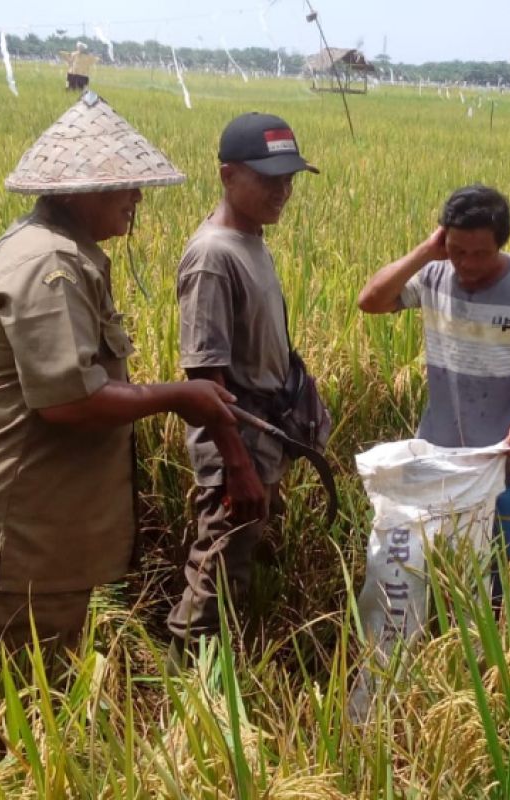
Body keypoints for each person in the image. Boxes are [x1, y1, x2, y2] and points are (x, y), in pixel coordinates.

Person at [0, 92, 238, 679]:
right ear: (83, 191)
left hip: (42, 537)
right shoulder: (50, 266)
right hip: (20, 537)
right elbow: (70, 401)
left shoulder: (66, 253)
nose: (137, 199)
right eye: (126, 186)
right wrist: (179, 396)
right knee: (11, 723)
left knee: (34, 715)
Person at [357, 184, 510, 581]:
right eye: (457, 250)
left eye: (480, 253)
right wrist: (426, 252)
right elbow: (370, 301)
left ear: (501, 246)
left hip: (502, 464)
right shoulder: (434, 275)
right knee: (430, 572)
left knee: (494, 574)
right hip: (438, 461)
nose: (467, 263)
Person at [167, 112, 321, 653]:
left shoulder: (251, 239)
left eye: (289, 178)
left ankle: (227, 671)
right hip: (237, 449)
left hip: (261, 441)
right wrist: (236, 466)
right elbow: (203, 372)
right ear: (229, 176)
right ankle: (187, 687)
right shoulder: (214, 256)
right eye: (268, 178)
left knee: (237, 565)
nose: (283, 190)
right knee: (215, 574)